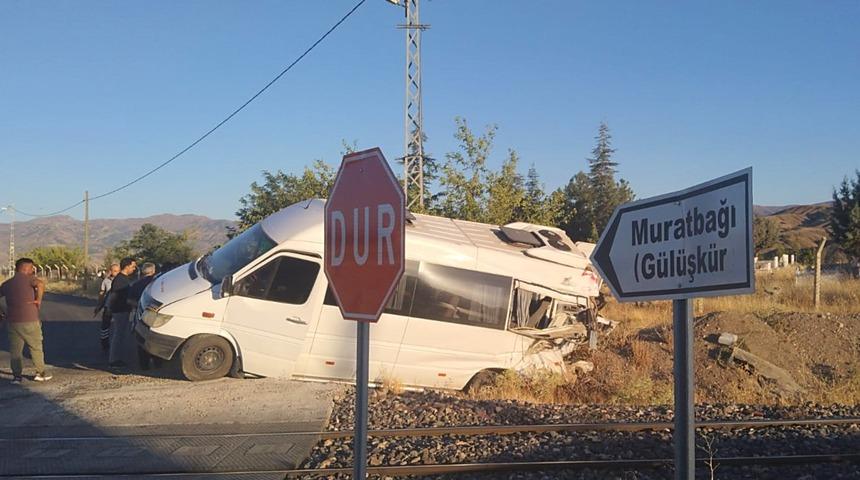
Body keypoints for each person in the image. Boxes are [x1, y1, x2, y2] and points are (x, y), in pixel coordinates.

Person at [0, 258, 51, 383]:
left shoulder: (6, 284)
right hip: (30, 320)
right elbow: (40, 284)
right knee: (36, 347)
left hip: (13, 322)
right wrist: (38, 300)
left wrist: (2, 312)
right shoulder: (30, 279)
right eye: (32, 268)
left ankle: (17, 376)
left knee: (15, 350)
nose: (33, 270)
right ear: (25, 268)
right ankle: (40, 373)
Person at [129, 263, 160, 369]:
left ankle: (144, 365)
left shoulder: (136, 284)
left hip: (140, 315)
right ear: (153, 271)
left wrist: (139, 305)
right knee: (156, 339)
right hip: (156, 316)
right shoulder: (157, 282)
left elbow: (129, 300)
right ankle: (158, 363)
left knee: (141, 340)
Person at [108, 257, 137, 368]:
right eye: (133, 266)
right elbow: (116, 296)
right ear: (127, 266)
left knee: (119, 334)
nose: (134, 269)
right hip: (120, 310)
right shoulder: (121, 280)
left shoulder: (122, 279)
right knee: (118, 335)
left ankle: (117, 358)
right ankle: (114, 360)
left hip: (121, 310)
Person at [94, 263, 120, 352]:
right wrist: (99, 305)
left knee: (119, 325)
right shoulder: (106, 281)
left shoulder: (121, 280)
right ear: (110, 271)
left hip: (118, 306)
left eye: (117, 271)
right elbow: (102, 293)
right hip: (108, 305)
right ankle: (104, 343)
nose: (116, 272)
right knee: (105, 325)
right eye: (114, 271)